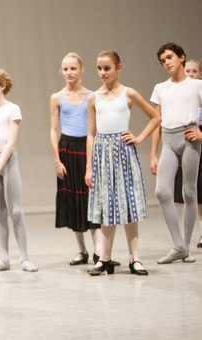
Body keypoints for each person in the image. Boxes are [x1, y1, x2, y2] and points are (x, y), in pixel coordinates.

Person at [86, 50, 161, 276]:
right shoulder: (94, 97)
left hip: (123, 154)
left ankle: (134, 258)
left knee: (128, 205)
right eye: (99, 68)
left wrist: (138, 138)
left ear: (118, 68)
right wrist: (89, 166)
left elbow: (156, 117)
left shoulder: (129, 93)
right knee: (107, 206)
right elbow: (91, 133)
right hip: (102, 155)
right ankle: (105, 258)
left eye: (107, 68)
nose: (102, 72)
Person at [0, 69, 38, 273]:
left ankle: (25, 258)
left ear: (1, 86)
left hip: (7, 161)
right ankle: (3, 257)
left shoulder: (12, 109)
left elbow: (11, 143)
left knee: (16, 210)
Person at [150, 43, 202, 264]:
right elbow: (157, 121)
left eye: (170, 57)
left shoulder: (197, 85)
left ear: (182, 57)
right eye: (163, 60)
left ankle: (185, 247)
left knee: (189, 192)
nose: (167, 63)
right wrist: (153, 153)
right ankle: (178, 246)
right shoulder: (161, 88)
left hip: (189, 137)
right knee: (162, 191)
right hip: (169, 140)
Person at [49, 53, 102, 266]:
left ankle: (100, 250)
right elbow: (53, 130)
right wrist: (56, 159)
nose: (69, 72)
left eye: (73, 68)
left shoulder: (92, 96)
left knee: (91, 198)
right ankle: (81, 250)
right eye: (65, 69)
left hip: (87, 148)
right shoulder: (56, 97)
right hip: (67, 149)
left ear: (81, 70)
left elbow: (93, 129)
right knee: (73, 198)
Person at [169, 58, 202, 250]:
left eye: (194, 71)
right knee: (193, 194)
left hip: (199, 140)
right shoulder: (180, 95)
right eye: (187, 71)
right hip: (187, 145)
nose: (190, 74)